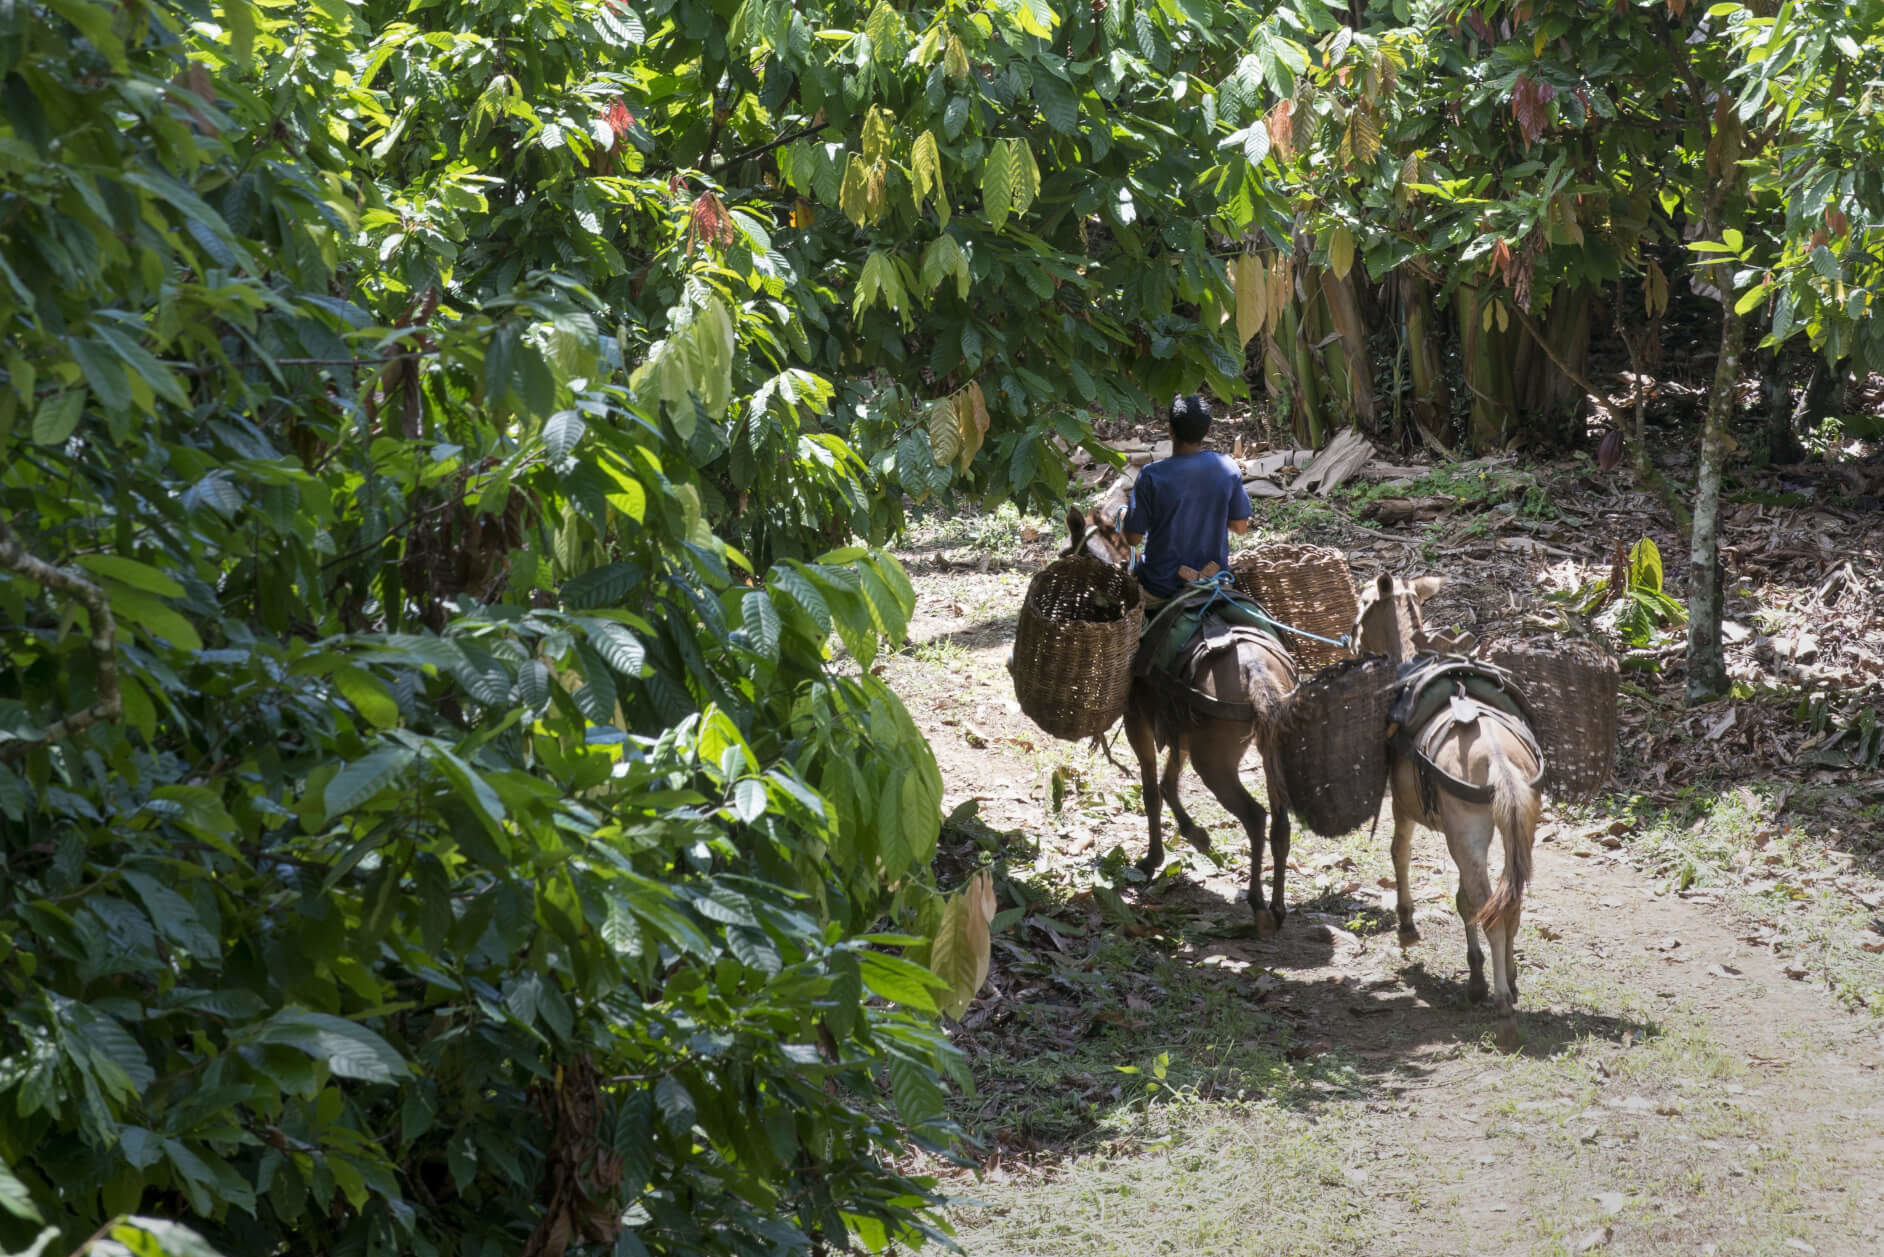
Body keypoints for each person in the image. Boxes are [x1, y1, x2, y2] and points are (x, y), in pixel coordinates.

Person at [1121, 394, 1251, 603]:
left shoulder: (1151, 476)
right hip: (1213, 582)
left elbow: (1132, 539)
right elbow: (1240, 527)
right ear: (1208, 431)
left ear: (1170, 430)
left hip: (1160, 588)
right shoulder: (1227, 468)